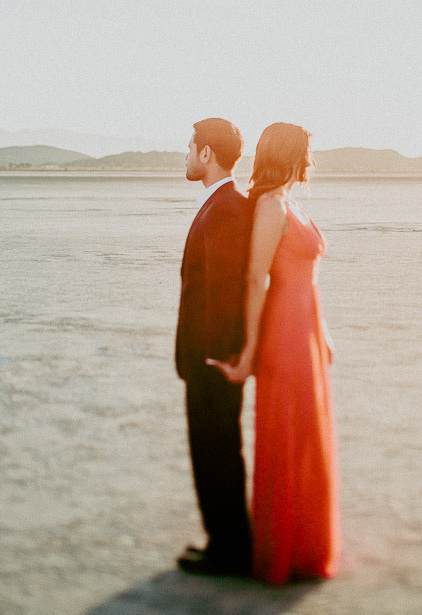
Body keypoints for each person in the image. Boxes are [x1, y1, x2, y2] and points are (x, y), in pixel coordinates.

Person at [209, 122, 341, 584]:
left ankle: (306, 544)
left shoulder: (289, 203)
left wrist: (321, 334)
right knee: (288, 434)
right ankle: (283, 549)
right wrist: (250, 348)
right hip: (283, 333)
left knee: (307, 432)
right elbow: (256, 279)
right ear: (291, 156)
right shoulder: (268, 206)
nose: (311, 161)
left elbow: (310, 278)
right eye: (307, 152)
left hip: (304, 330)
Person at [175, 118, 252, 576]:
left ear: (207, 154)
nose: (185, 156)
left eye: (189, 148)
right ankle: (226, 542)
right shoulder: (222, 204)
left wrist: (218, 353)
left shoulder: (224, 207)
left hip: (212, 358)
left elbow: (223, 287)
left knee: (215, 450)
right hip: (209, 355)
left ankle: (229, 549)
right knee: (217, 449)